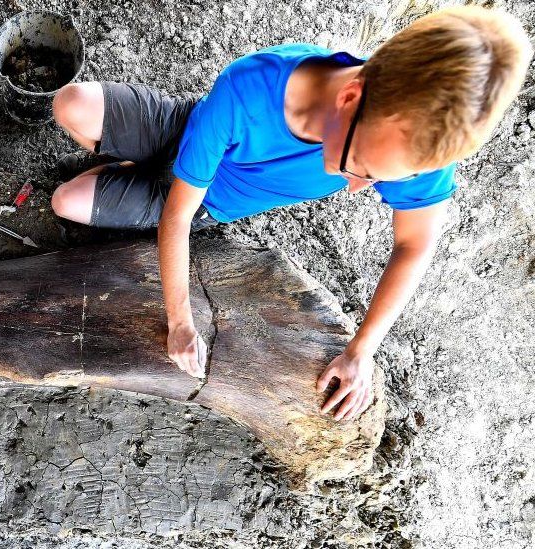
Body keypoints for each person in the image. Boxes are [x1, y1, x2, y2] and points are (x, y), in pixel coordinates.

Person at [49, 5, 533, 422]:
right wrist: (180, 321)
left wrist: (361, 350)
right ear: (350, 98)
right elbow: (176, 216)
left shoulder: (414, 149)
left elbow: (414, 245)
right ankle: (133, 164)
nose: (359, 187)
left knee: (66, 202)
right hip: (186, 136)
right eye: (360, 167)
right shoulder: (253, 86)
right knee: (71, 104)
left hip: (211, 200)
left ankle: (126, 172)